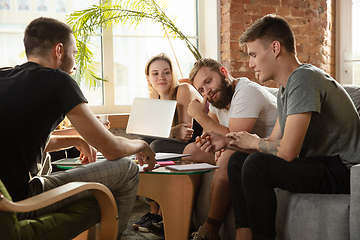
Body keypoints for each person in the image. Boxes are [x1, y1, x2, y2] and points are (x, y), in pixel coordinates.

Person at [196, 14, 360, 240]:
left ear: (275, 48)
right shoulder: (287, 89)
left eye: (253, 55)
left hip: (345, 170)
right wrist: (228, 141)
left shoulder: (304, 79)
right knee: (236, 160)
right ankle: (244, 233)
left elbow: (288, 151)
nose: (250, 63)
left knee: (256, 164)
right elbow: (274, 143)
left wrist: (252, 141)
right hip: (323, 164)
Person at [0, 17, 157, 240]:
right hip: (22, 201)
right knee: (128, 170)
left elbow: (19, 142)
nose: (74, 64)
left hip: (4, 198)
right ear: (59, 50)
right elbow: (111, 149)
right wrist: (140, 144)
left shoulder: (4, 76)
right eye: (74, 54)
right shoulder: (58, 81)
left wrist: (74, 139)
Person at [177, 57, 278, 240]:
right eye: (201, 89)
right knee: (190, 151)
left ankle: (210, 229)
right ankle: (182, 220)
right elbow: (214, 133)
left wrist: (200, 115)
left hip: (270, 150)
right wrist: (209, 140)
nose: (207, 91)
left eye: (209, 81)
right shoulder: (218, 99)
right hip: (241, 148)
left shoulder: (246, 92)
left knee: (227, 157)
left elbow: (233, 138)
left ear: (223, 73)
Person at [132, 53, 203, 236]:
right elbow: (163, 134)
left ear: (173, 74)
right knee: (141, 146)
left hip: (196, 144)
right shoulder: (154, 100)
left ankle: (163, 213)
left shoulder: (183, 90)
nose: (161, 77)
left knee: (155, 147)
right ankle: (155, 211)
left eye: (166, 72)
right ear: (148, 78)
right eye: (155, 74)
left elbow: (185, 135)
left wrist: (170, 133)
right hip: (175, 144)